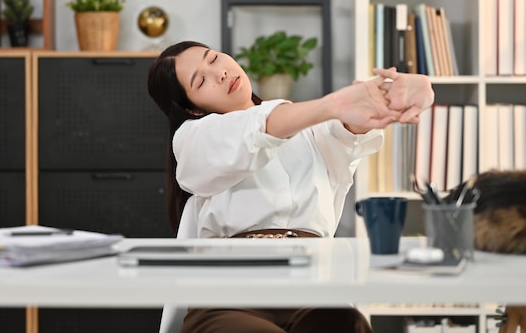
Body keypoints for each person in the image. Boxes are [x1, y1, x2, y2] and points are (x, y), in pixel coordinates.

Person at [147, 40, 435, 333]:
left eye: (214, 59)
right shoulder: (194, 141)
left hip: (311, 293)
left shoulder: (311, 128)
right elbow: (251, 132)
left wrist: (392, 95)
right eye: (201, 80)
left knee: (350, 325)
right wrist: (334, 104)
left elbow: (346, 131)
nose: (219, 73)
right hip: (229, 298)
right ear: (193, 109)